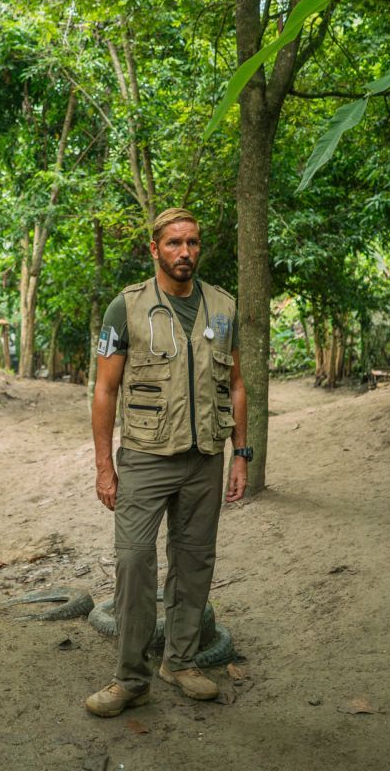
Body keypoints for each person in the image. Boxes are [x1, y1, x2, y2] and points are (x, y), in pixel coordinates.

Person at [86, 208, 250, 718]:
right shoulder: (125, 309)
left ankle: (180, 661)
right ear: (154, 250)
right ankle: (130, 678)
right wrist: (103, 466)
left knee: (194, 561)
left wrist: (240, 455)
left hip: (205, 459)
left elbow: (237, 385)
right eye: (175, 243)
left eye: (194, 243)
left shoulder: (223, 308)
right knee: (134, 562)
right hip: (144, 456)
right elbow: (104, 388)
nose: (186, 252)